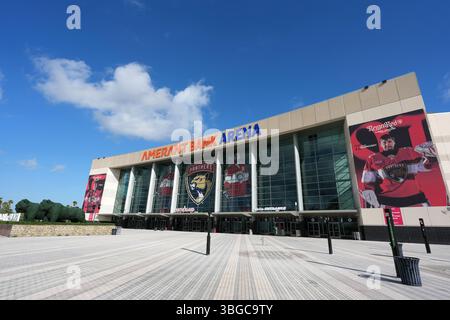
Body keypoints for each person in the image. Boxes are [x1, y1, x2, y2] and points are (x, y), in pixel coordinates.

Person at [361, 134, 437, 208]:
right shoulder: (373, 158)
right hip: (386, 199)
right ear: (380, 144)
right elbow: (367, 183)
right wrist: (373, 202)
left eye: (389, 141)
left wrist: (430, 159)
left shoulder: (408, 151)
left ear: (394, 142)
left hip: (414, 195)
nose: (387, 144)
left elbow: (423, 167)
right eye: (384, 142)